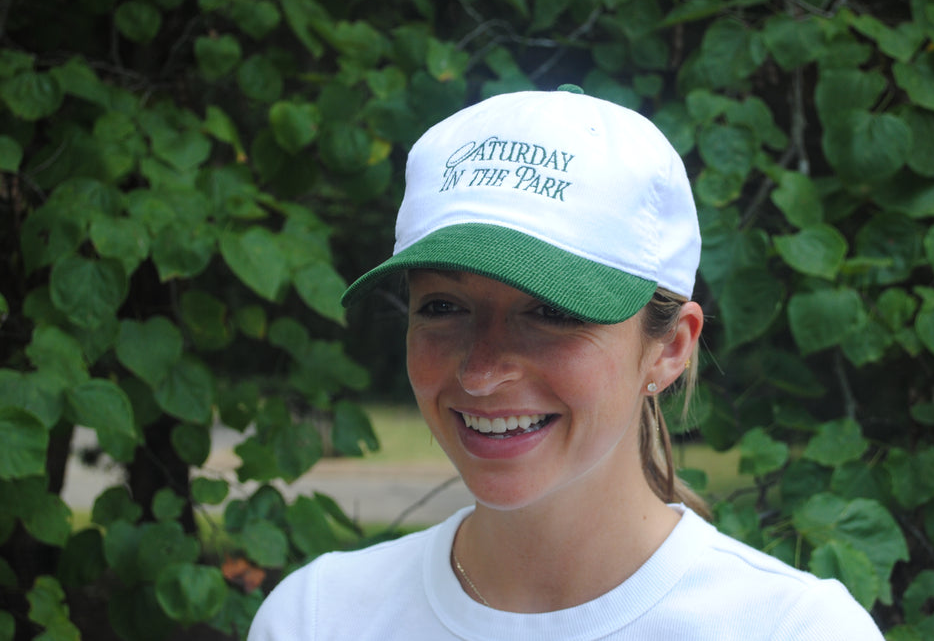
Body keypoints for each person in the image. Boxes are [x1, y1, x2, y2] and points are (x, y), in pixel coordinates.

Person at [248, 89, 885, 639]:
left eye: (552, 313)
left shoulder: (789, 630)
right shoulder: (318, 618)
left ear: (669, 348)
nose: (481, 372)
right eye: (444, 307)